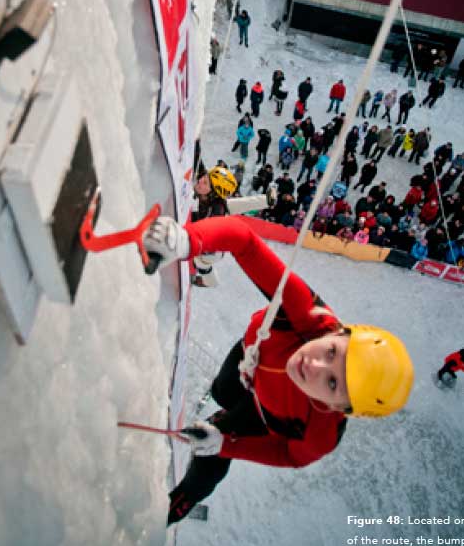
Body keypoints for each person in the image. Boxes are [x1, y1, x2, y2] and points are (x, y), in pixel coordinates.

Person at [143, 215, 414, 526]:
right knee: (222, 392)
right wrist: (189, 240)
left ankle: (182, 500)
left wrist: (226, 445)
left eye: (331, 383)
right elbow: (242, 239)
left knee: (212, 449)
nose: (312, 365)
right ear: (339, 333)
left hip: (264, 406)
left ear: (339, 409)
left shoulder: (321, 434)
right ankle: (227, 419)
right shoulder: (309, 316)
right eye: (331, 352)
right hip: (254, 357)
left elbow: (289, 455)